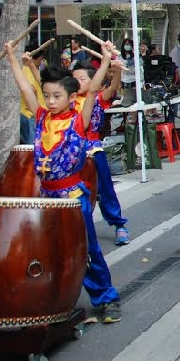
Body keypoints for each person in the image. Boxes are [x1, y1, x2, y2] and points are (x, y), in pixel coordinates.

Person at [3, 41, 123, 323]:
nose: (51, 100)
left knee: (87, 248)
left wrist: (105, 60)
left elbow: (93, 90)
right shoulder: (43, 116)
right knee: (48, 250)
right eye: (48, 95)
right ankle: (54, 300)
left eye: (57, 96)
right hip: (47, 198)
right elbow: (25, 88)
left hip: (72, 198)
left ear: (71, 97)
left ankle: (106, 298)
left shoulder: (78, 120)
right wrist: (11, 57)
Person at [71, 60, 131, 246]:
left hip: (94, 148)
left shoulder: (97, 98)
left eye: (82, 79)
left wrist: (118, 72)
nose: (77, 82)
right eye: (74, 79)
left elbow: (113, 86)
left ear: (93, 81)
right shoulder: (68, 100)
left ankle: (119, 224)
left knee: (105, 187)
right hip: (73, 150)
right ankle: (75, 227)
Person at [19, 44, 46, 144]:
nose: (42, 61)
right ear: (38, 58)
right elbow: (31, 89)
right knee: (33, 147)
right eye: (41, 59)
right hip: (30, 114)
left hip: (34, 114)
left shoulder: (29, 69)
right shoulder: (26, 69)